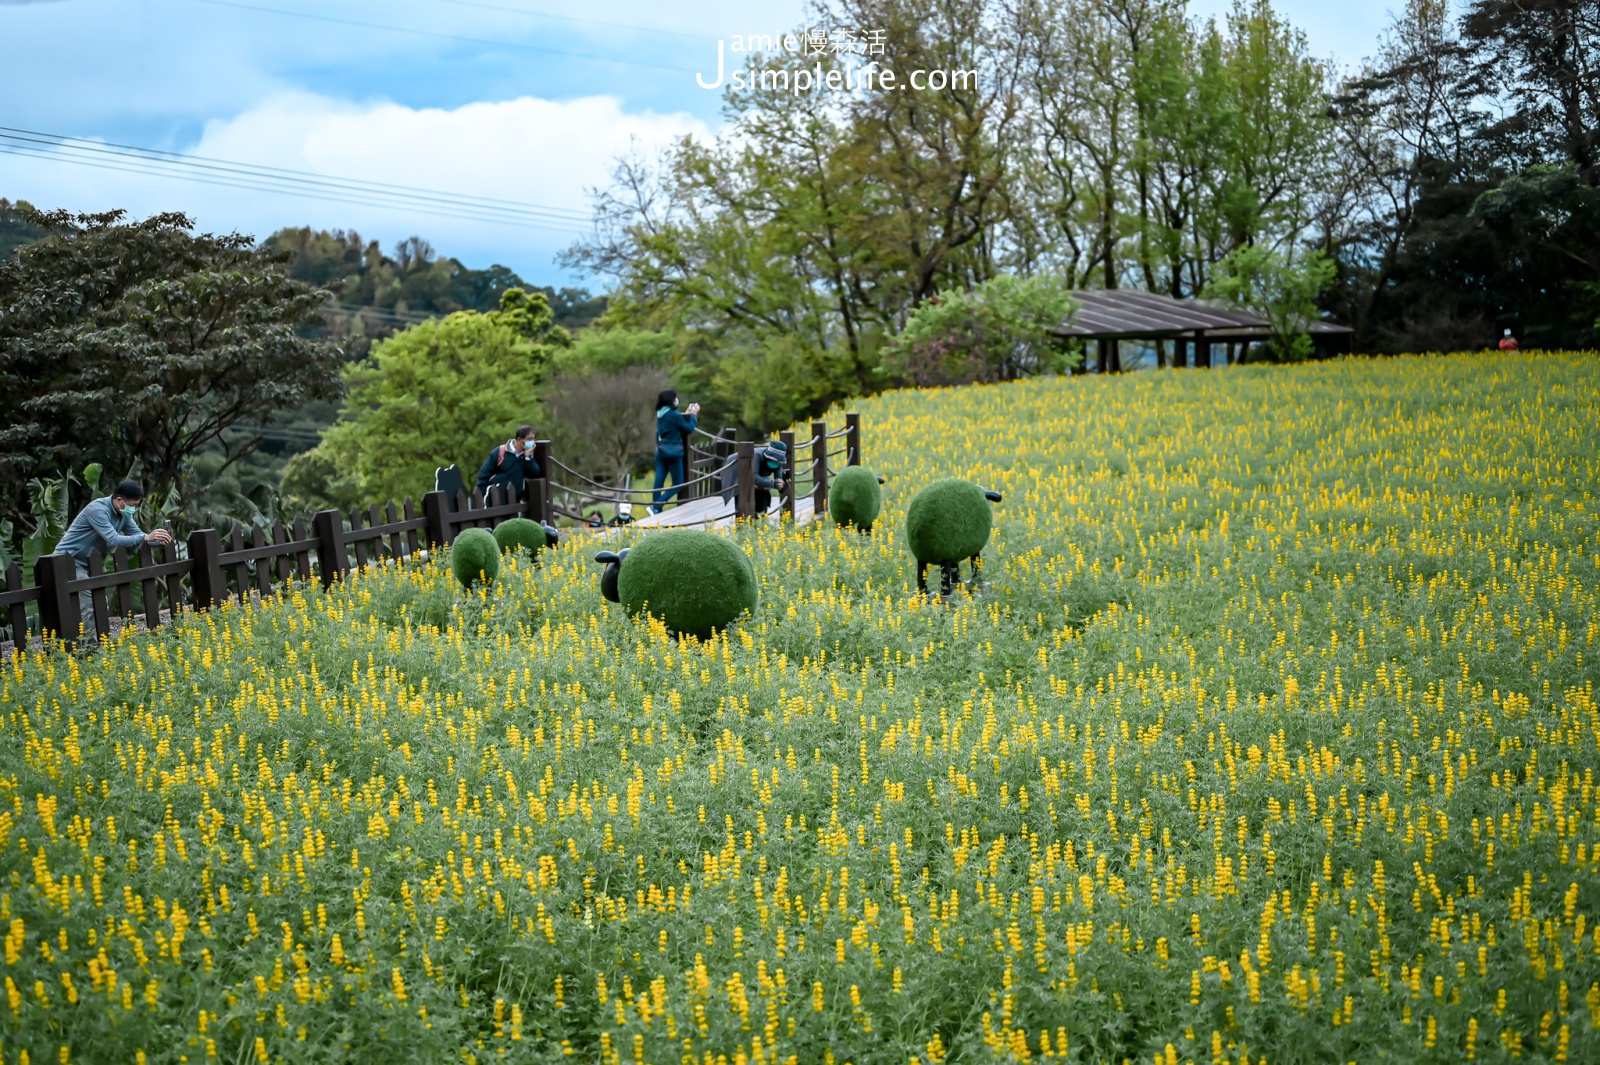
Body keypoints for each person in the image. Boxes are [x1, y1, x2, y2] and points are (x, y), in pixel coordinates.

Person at [55, 480, 174, 640]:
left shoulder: (124, 514)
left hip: (88, 563)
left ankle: (93, 641)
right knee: (90, 603)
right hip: (68, 561)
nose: (133, 509)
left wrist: (159, 540)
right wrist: (145, 536)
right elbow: (113, 539)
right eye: (132, 504)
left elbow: (139, 537)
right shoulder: (97, 510)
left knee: (99, 601)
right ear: (119, 500)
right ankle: (91, 648)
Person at [651, 390, 700, 514]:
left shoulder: (661, 413)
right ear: (671, 400)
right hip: (673, 452)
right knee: (678, 483)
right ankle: (657, 506)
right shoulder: (674, 415)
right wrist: (693, 415)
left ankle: (656, 509)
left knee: (659, 481)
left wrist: (685, 414)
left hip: (661, 450)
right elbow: (688, 428)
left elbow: (675, 420)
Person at [720, 439, 790, 513]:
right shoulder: (756, 456)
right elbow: (754, 478)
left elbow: (779, 480)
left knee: (763, 493)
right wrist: (772, 483)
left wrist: (783, 485)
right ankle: (743, 520)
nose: (776, 462)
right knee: (743, 492)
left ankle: (760, 519)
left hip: (755, 473)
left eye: (778, 461)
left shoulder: (777, 463)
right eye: (774, 460)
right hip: (737, 467)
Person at [476, 425, 541, 497]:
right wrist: (483, 494)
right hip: (496, 498)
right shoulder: (500, 452)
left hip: (516, 499)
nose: (532, 442)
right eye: (529, 439)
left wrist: (528, 458)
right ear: (519, 439)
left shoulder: (527, 455)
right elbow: (483, 474)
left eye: (533, 439)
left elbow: (534, 473)